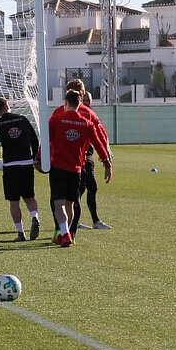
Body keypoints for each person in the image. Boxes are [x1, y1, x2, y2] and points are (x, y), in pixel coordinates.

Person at [46, 89, 112, 247]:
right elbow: (98, 144)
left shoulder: (55, 120)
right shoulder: (87, 123)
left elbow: (45, 141)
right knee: (71, 203)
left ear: (65, 103)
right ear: (79, 104)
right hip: (76, 170)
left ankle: (64, 233)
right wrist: (107, 163)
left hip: (58, 167)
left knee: (59, 203)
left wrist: (39, 158)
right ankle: (68, 233)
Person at [0, 97, 41, 241]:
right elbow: (34, 140)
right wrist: (35, 158)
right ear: (7, 105)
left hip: (11, 166)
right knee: (29, 197)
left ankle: (21, 233)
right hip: (27, 163)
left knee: (14, 201)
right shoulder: (22, 119)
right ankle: (35, 217)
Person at [71, 90, 112, 232]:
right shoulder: (82, 115)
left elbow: (99, 135)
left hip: (86, 155)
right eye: (84, 99)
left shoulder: (90, 114)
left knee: (82, 189)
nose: (87, 102)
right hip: (82, 157)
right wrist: (105, 158)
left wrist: (105, 153)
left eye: (89, 99)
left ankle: (75, 220)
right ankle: (93, 221)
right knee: (89, 187)